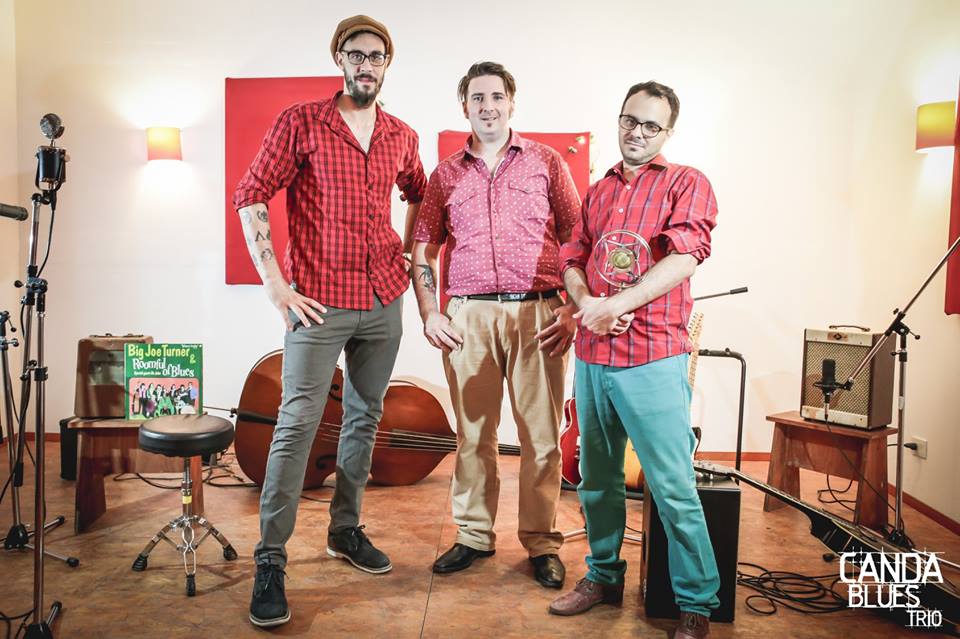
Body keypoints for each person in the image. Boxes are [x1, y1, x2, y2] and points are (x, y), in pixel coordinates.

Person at [233, 15, 426, 628]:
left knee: (365, 418)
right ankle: (271, 558)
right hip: (317, 299)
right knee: (297, 424)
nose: (366, 65)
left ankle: (345, 530)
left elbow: (420, 194)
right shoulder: (302, 122)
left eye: (376, 56)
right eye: (356, 54)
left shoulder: (401, 134)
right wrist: (275, 284)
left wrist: (406, 249)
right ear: (340, 59)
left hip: (383, 297)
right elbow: (250, 193)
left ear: (387, 63)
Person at [548, 81, 720, 639]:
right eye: (629, 120)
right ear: (619, 120)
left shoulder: (686, 182)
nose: (637, 132)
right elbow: (571, 258)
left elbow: (687, 256)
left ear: (667, 131)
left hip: (652, 357)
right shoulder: (598, 191)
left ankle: (697, 603)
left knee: (672, 487)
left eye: (650, 125)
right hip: (594, 357)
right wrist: (588, 305)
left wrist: (617, 305)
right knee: (596, 480)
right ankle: (603, 576)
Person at [410, 62, 585, 589]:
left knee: (542, 439)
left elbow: (577, 239)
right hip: (469, 317)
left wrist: (572, 309)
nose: (487, 107)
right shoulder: (445, 174)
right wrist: (430, 311)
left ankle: (541, 542)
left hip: (539, 313)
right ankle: (473, 535)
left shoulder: (547, 161)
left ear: (512, 102)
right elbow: (424, 249)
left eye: (496, 97)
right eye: (477, 98)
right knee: (473, 435)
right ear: (464, 106)